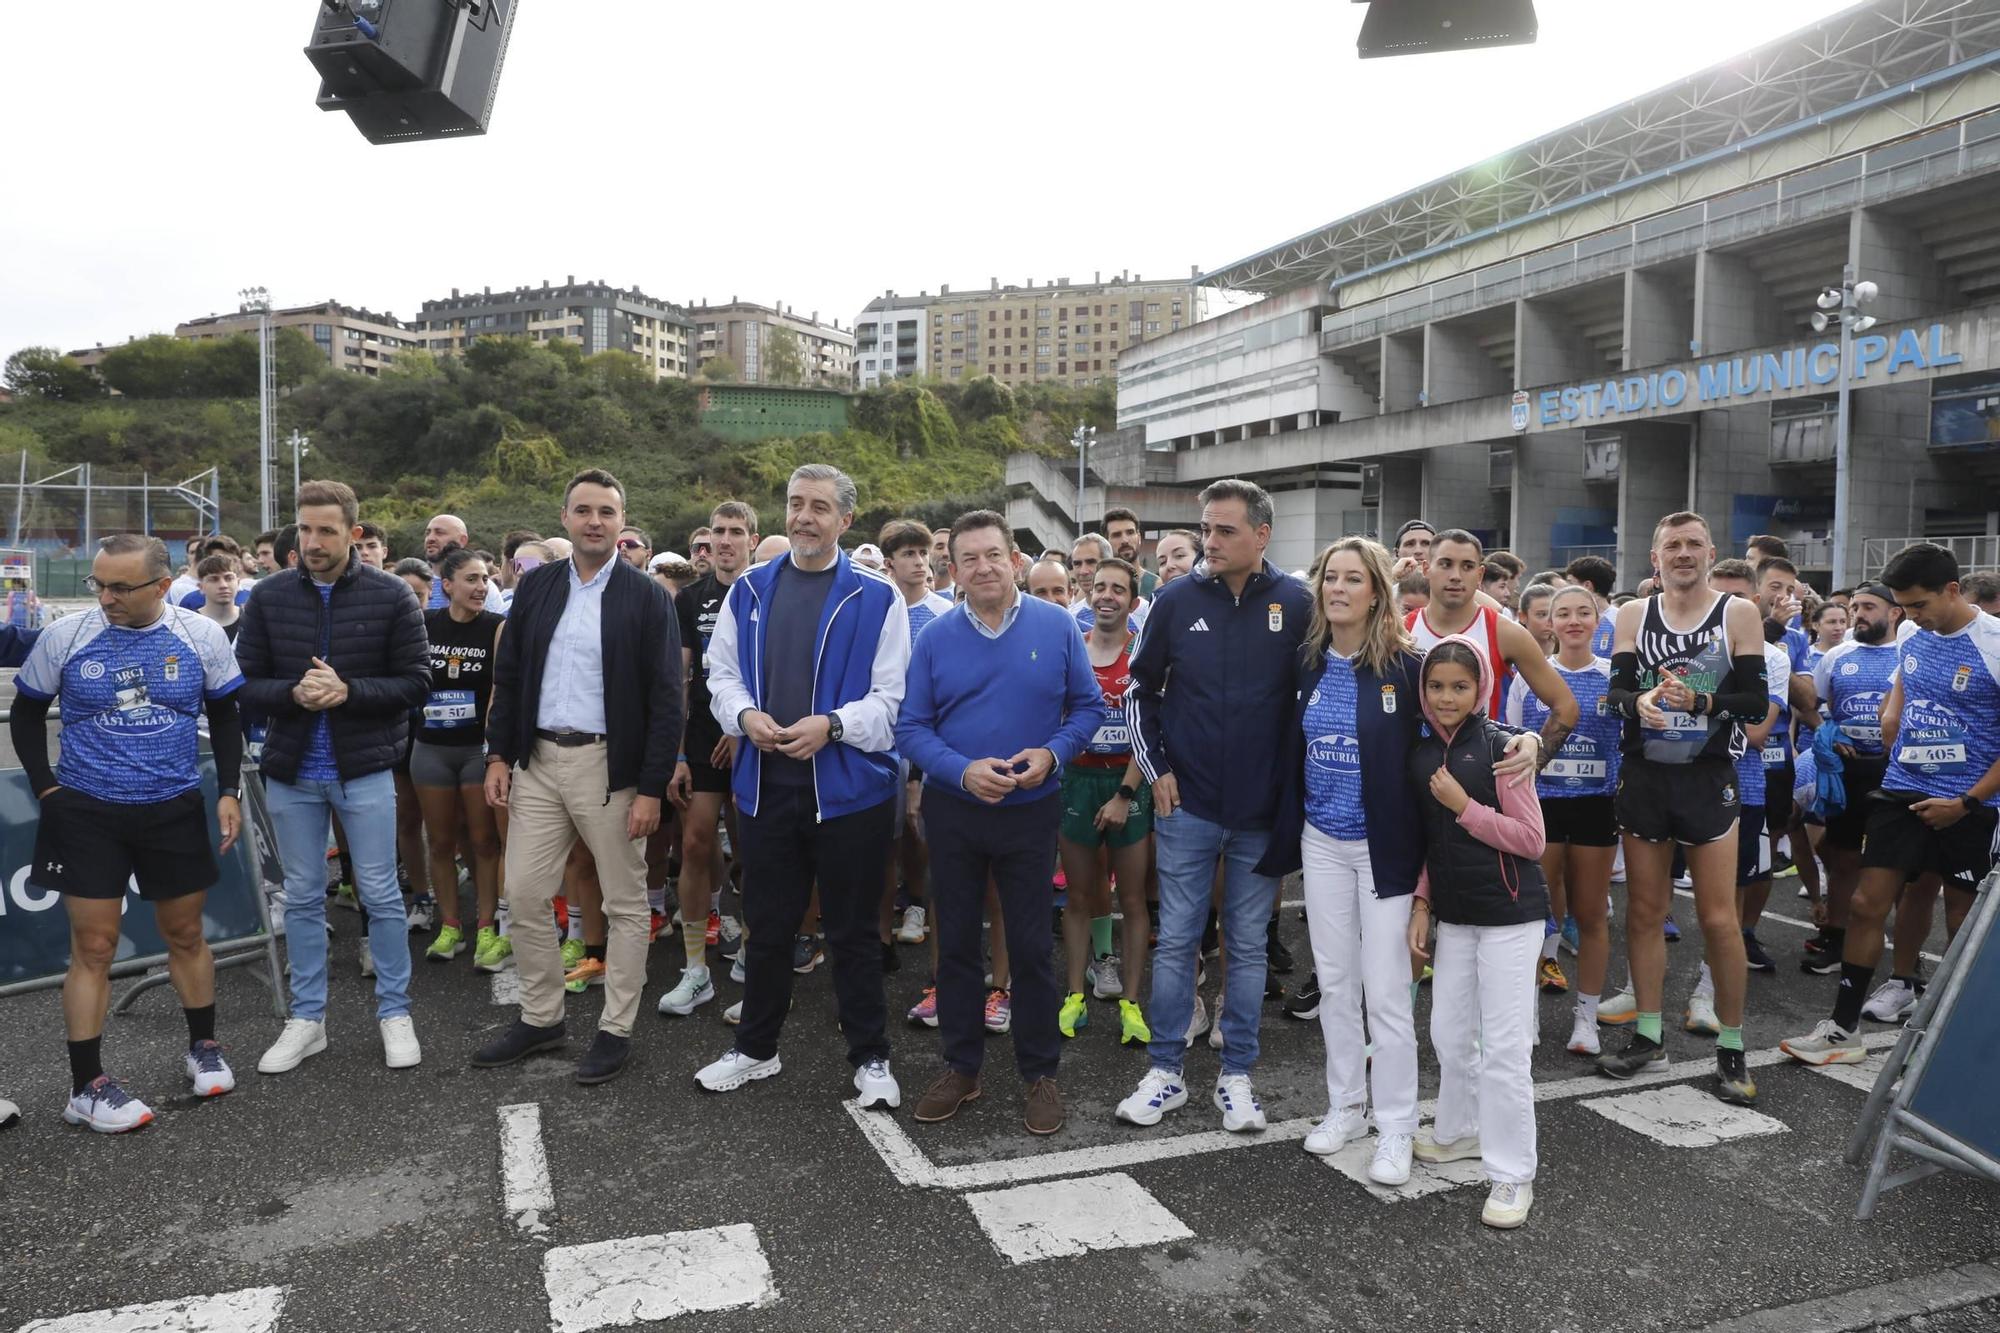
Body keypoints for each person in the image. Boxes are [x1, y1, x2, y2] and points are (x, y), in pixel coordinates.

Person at [10, 534, 245, 1132]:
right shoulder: (67, 636)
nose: (106, 597)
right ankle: (85, 1086)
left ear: (163, 587)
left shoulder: (202, 636)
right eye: (99, 584)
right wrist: (46, 788)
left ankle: (204, 1046)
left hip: (171, 805)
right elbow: (28, 710)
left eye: (120, 586)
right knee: (92, 948)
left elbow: (223, 712)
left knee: (186, 933)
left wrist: (227, 791)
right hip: (88, 810)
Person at [692, 466, 910, 1107]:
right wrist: (744, 717)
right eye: (795, 504)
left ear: (845, 520)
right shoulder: (750, 590)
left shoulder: (878, 597)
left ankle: (871, 1058)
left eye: (819, 507)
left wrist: (834, 726)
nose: (804, 517)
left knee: (852, 933)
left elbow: (890, 702)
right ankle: (756, 1050)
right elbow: (721, 675)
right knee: (768, 927)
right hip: (765, 789)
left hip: (849, 793)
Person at [1117, 479, 1313, 1135]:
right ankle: (1165, 1071)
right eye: (1207, 527)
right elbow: (1137, 693)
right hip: (1188, 805)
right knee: (1177, 941)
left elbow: (1328, 691)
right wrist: (1155, 768)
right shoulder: (1174, 600)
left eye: (1226, 529)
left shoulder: (1297, 602)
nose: (1211, 540)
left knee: (1248, 948)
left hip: (1263, 812)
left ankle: (1237, 1078)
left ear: (1262, 534)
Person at [473, 469, 682, 1085]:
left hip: (610, 768)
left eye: (607, 512)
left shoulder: (646, 597)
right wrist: (496, 755)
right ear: (565, 519)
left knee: (624, 905)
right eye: (583, 510)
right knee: (527, 892)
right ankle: (542, 1018)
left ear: (622, 524)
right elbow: (508, 680)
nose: (595, 521)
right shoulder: (535, 591)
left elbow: (668, 700)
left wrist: (649, 788)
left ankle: (615, 1030)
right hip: (536, 763)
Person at [899, 509, 1103, 1136]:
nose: (983, 566)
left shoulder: (1057, 625)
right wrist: (960, 771)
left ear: (1015, 559)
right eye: (969, 558)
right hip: (955, 811)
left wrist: (1053, 753)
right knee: (956, 944)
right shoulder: (933, 636)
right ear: (951, 569)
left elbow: (1088, 708)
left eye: (994, 554)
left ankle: (1040, 1073)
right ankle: (962, 1067)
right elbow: (911, 727)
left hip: (1029, 812)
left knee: (1032, 947)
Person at [238, 481, 431, 1076]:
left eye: (326, 530)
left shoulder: (393, 594)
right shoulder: (268, 597)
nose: (313, 541)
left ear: (354, 532)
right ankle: (308, 1019)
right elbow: (243, 683)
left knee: (380, 894)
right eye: (304, 528)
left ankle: (395, 1012)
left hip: (366, 768)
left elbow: (417, 682)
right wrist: (293, 693)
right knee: (300, 895)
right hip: (293, 770)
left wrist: (348, 692)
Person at [1782, 544, 2000, 1067]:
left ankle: (1958, 1045)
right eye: (1903, 606)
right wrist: (1891, 711)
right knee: (1865, 902)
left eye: (1919, 605)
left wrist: (1966, 803)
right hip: (1900, 787)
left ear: (1952, 591)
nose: (1911, 616)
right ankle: (1842, 1031)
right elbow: (1904, 679)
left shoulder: (1994, 643)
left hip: (1970, 802)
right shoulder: (1909, 633)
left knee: (1962, 921)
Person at [1597, 512, 1766, 1106]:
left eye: (1695, 544)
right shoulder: (1632, 615)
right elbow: (1612, 694)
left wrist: (1699, 698)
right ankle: (1648, 1035)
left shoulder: (1737, 613)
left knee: (1719, 918)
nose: (1684, 553)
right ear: (1655, 556)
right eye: (1673, 544)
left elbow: (1755, 701)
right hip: (1644, 778)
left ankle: (1732, 1045)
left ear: (1711, 551)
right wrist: (1638, 699)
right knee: (1644, 912)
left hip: (1707, 779)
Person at [1407, 636, 1548, 1229]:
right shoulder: (1419, 751)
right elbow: (1428, 840)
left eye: (1459, 686)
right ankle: (1460, 1131)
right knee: (1448, 1031)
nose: (1446, 697)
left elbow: (1532, 840)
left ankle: (1513, 1174)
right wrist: (1421, 901)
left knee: (1506, 1050)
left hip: (1511, 917)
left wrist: (1466, 805)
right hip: (1457, 917)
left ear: (1480, 687)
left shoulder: (1502, 748)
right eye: (1436, 686)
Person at [1507, 585, 1620, 1053]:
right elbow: (1510, 740)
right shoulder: (1528, 677)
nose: (1574, 621)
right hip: (1542, 808)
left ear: (1598, 622)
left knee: (1591, 914)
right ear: (1547, 623)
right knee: (1537, 917)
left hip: (1596, 807)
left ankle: (1586, 1019)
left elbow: (1629, 743)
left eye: (1584, 613)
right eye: (1563, 614)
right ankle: (1527, 1014)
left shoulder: (1614, 678)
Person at [659, 501, 758, 1020]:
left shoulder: (768, 590)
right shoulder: (689, 599)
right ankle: (695, 970)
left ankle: (752, 954)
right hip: (699, 737)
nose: (724, 541)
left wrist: (740, 727)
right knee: (696, 842)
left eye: (735, 532)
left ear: (752, 540)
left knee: (753, 852)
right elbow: (679, 679)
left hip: (752, 735)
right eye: (717, 532)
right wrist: (677, 753)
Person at [1056, 556, 1153, 1046]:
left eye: (1118, 588)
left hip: (1128, 783)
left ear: (1133, 601)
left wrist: (1123, 795)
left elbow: (1148, 735)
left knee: (1132, 898)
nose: (1107, 596)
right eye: (1099, 587)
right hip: (1077, 781)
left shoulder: (1143, 655)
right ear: (1088, 593)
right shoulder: (1070, 648)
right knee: (1078, 895)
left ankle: (1132, 1003)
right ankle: (1075, 994)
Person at [412, 548, 509, 971]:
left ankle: (486, 927)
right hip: (430, 748)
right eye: (470, 579)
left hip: (475, 750)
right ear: (446, 586)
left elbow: (499, 691)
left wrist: (492, 750)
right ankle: (450, 925)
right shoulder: (425, 624)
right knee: (442, 842)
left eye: (485, 579)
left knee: (484, 841)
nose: (481, 587)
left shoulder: (496, 627)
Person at [1802, 584, 1903, 968]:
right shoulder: (1837, 656)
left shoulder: (1909, 654)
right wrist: (1827, 733)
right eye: (1855, 606)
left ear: (1895, 613)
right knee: (1843, 858)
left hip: (1895, 771)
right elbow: (1814, 705)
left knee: (1897, 863)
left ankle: (1902, 953)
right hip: (1849, 770)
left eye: (1868, 607)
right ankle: (1835, 936)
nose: (1857, 614)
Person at [1408, 529, 1579, 745]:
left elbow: (1566, 707)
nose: (1456, 575)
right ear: (1426, 569)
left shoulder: (1505, 633)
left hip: (1484, 773)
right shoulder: (1401, 631)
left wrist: (1531, 764)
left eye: (1467, 567)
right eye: (1445, 564)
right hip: (1413, 775)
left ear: (1479, 575)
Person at [1103, 506, 1160, 598]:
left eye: (1130, 533)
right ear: (1106, 542)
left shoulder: (1157, 585)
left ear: (1139, 538)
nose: (1125, 540)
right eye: (1117, 535)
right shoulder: (1097, 586)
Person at [423, 514, 469, 608]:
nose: (430, 538)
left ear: (462, 540)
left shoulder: (479, 585)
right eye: (427, 533)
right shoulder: (415, 583)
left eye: (439, 533)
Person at [195, 553, 243, 642]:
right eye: (214, 579)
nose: (223, 585)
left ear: (238, 583)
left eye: (229, 578)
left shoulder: (251, 619)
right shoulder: (190, 624)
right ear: (201, 587)